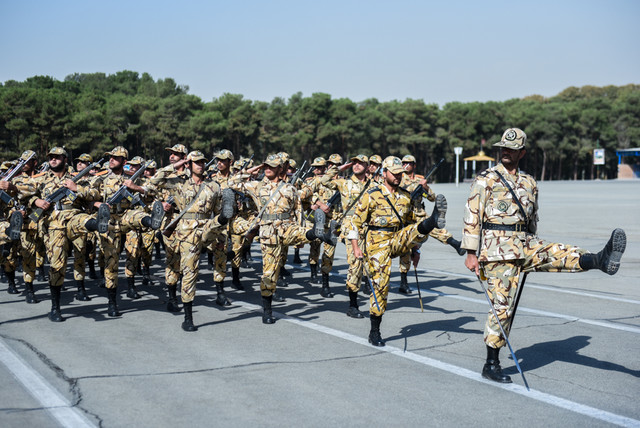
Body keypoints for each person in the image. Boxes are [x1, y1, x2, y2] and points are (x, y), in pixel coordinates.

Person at [462, 127, 627, 384]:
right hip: (496, 250)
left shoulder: (529, 182)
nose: (506, 152)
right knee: (502, 308)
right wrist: (471, 253)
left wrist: (533, 239)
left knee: (556, 252)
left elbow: (532, 218)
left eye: (512, 149)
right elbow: (472, 216)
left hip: (524, 242)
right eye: (503, 148)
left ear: (522, 153)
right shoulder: (486, 179)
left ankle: (598, 260)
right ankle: (491, 363)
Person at [349, 156, 447, 346]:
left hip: (398, 238)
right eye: (394, 174)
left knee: (418, 225)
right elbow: (355, 222)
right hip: (377, 243)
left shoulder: (405, 195)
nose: (398, 177)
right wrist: (355, 247)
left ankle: (432, 220)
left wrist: (415, 249)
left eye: (400, 173)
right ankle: (374, 331)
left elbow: (410, 224)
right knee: (381, 285)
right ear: (384, 173)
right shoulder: (372, 194)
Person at [397, 154, 464, 295]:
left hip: (419, 213)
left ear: (414, 165)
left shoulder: (420, 179)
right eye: (404, 163)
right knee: (405, 251)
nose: (406, 165)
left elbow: (432, 198)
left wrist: (425, 188)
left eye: (409, 163)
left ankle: (455, 243)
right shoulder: (398, 178)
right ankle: (403, 282)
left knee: (433, 225)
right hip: (404, 216)